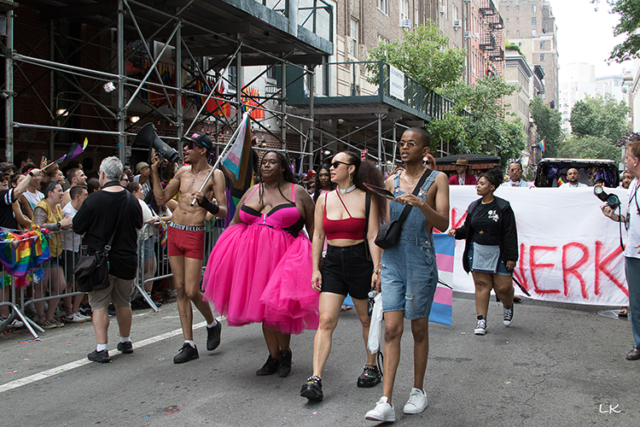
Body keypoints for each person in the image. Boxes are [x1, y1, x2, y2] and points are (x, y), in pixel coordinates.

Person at [202, 150, 316, 377]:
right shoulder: (252, 191)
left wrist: (317, 263)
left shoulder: (299, 193)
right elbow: (234, 224)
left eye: (272, 162)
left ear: (283, 167)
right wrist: (230, 257)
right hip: (254, 261)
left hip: (286, 258)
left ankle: (285, 354)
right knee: (264, 312)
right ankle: (272, 357)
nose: (266, 166)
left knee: (279, 310)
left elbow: (313, 228)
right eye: (263, 162)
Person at [365, 128, 449, 423]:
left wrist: (422, 204)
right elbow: (384, 227)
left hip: (420, 257)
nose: (403, 148)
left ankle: (418, 390)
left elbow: (443, 222)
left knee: (419, 329)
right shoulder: (391, 181)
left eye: (410, 144)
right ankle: (385, 400)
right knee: (391, 329)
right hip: (393, 259)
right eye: (401, 143)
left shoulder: (438, 179)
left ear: (425, 149)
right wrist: (378, 267)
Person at [300, 152, 385, 402]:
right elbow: (317, 236)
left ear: (351, 169)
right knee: (325, 320)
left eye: (336, 164)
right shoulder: (324, 199)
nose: (331, 168)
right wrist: (315, 268)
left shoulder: (368, 198)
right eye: (330, 164)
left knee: (365, 319)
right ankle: (315, 378)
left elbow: (372, 236)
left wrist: (377, 268)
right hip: (333, 263)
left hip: (361, 261)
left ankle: (371, 366)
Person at [151, 132, 227, 363]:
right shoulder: (182, 172)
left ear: (202, 149)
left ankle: (212, 324)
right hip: (174, 232)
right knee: (181, 290)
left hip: (194, 235)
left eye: (190, 146)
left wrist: (207, 204)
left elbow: (224, 211)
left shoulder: (216, 175)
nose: (185, 150)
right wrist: (154, 173)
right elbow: (162, 198)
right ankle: (188, 343)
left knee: (193, 290)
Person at [73, 157, 143, 363]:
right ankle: (125, 340)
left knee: (99, 304)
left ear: (102, 175)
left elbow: (78, 226)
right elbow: (139, 224)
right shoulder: (132, 200)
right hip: (126, 258)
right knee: (123, 301)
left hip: (99, 260)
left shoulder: (94, 200)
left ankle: (102, 348)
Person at [448, 168, 518, 335]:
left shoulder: (503, 207)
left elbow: (510, 233)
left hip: (499, 252)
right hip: (478, 251)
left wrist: (511, 256)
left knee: (503, 288)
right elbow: (468, 228)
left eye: (481, 183)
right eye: (478, 183)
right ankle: (481, 320)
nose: (477, 186)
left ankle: (508, 305)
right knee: (481, 286)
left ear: (492, 187)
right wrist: (457, 232)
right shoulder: (474, 206)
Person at [601, 138, 640, 361]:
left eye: (627, 157)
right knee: (636, 302)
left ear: (635, 160)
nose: (624, 161)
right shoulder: (633, 185)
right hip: (633, 253)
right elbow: (632, 218)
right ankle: (638, 343)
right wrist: (615, 217)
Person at [0, 168, 40, 327]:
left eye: (4, 179)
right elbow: (18, 191)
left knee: (7, 280)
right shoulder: (2, 196)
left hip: (8, 244)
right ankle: (4, 316)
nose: (4, 182)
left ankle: (9, 314)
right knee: (2, 281)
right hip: (3, 244)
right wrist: (30, 175)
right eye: (1, 180)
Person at [33, 180, 73, 329]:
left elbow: (62, 222)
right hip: (41, 253)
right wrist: (59, 225)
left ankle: (50, 316)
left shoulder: (57, 207)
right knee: (41, 286)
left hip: (55, 251)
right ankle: (41, 318)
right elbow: (38, 227)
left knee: (60, 284)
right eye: (58, 190)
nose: (62, 193)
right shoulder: (41, 207)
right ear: (49, 193)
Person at [127, 181, 160, 307]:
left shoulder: (139, 203)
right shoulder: (138, 203)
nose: (143, 191)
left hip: (145, 238)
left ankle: (146, 295)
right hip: (143, 239)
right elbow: (150, 219)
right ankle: (145, 296)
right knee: (149, 268)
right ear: (134, 192)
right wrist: (155, 220)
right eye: (140, 189)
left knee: (149, 268)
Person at [60, 185, 90, 323]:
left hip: (79, 248)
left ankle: (76, 310)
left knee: (80, 280)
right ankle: (69, 312)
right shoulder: (67, 210)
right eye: (85, 195)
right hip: (68, 249)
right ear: (77, 196)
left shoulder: (84, 210)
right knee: (70, 282)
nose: (87, 197)